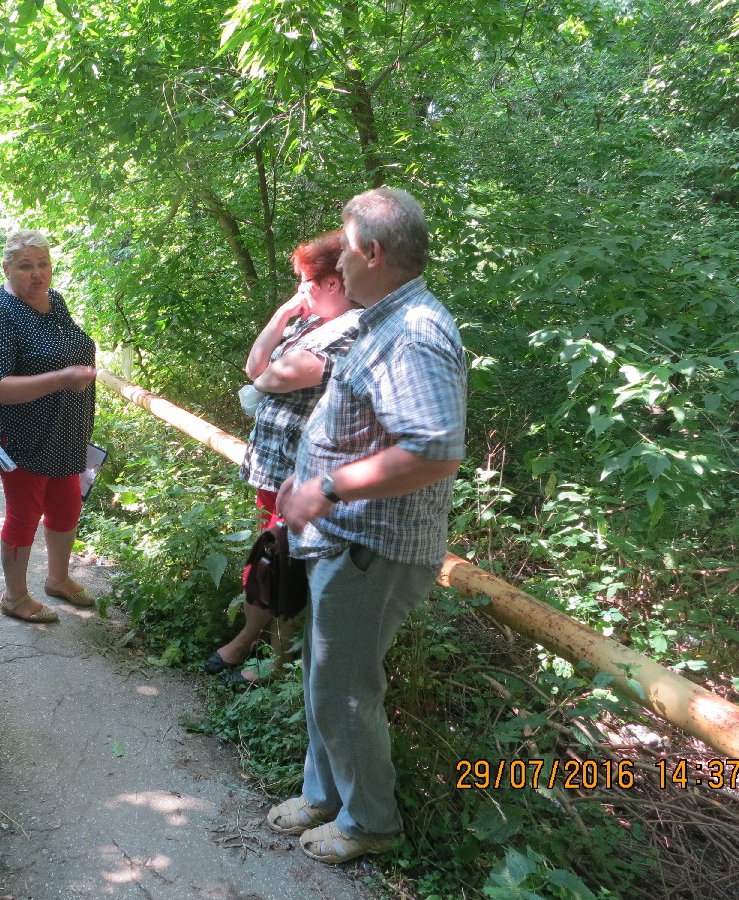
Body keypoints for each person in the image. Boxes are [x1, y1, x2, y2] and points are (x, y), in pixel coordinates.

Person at [271, 187, 467, 864]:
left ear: (372, 252)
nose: (337, 269)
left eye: (345, 250)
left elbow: (433, 450)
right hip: (349, 541)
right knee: (328, 673)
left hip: (374, 545)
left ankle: (370, 823)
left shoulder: (415, 330)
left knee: (347, 683)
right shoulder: (383, 319)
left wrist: (326, 486)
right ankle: (326, 795)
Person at [205, 231, 361, 685]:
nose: (301, 291)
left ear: (333, 282)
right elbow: (256, 368)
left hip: (304, 473)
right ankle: (255, 644)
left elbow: (279, 378)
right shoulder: (310, 322)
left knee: (287, 561)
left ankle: (271, 661)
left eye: (306, 282)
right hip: (273, 467)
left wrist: (267, 376)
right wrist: (283, 315)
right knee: (271, 555)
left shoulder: (353, 327)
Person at [0, 231, 97, 625]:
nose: (37, 274)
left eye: (43, 264)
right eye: (26, 266)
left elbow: (69, 349)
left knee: (66, 505)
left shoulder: (55, 303)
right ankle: (14, 596)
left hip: (66, 427)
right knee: (24, 512)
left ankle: (58, 579)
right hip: (23, 434)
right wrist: (61, 379)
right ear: (7, 269)